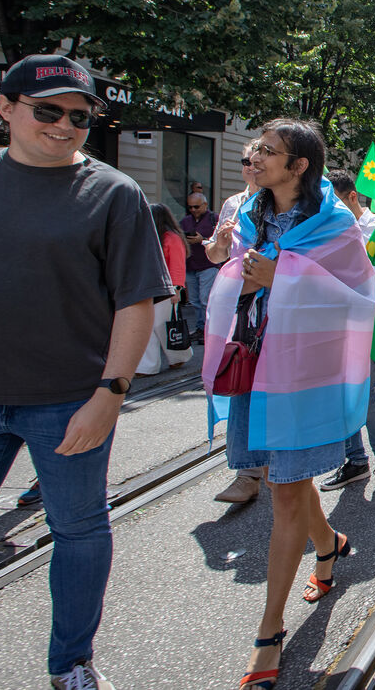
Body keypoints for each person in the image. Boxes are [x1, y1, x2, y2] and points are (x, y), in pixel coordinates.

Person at [0, 54, 172, 690]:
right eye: (48, 110)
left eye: (79, 115)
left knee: (78, 531)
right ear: (4, 106)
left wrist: (110, 394)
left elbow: (135, 302)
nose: (64, 125)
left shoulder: (113, 192)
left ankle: (71, 663)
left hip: (67, 400)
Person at [202, 119, 375, 690]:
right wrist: (227, 258)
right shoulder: (247, 213)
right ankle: (329, 546)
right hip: (256, 362)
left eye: (268, 151)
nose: (255, 157)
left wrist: (283, 276)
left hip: (304, 372)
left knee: (285, 489)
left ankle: (270, 630)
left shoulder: (336, 224)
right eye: (256, 148)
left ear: (299, 166)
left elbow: (356, 298)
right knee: (287, 481)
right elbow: (233, 272)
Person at [316, 170, 375, 492]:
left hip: (374, 319)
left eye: (337, 204)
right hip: (338, 319)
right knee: (342, 391)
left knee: (362, 390)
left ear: (352, 196)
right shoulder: (329, 230)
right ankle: (355, 460)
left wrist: (357, 269)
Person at [206, 140, 267, 505]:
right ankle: (247, 473)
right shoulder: (233, 204)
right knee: (241, 380)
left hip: (272, 307)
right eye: (246, 161)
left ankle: (275, 466)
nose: (250, 167)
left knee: (271, 385)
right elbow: (215, 254)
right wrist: (222, 241)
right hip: (240, 309)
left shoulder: (286, 202)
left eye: (258, 160)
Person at [136, 203, 194, 376]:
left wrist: (176, 289)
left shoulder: (170, 238)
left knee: (160, 327)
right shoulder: (159, 237)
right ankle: (169, 360)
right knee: (157, 327)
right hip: (153, 288)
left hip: (164, 290)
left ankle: (158, 363)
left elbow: (177, 265)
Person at [181, 190, 219, 342]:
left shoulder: (214, 219)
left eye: (196, 207)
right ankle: (200, 328)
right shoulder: (185, 221)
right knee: (195, 301)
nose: (193, 210)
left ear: (205, 205)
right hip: (191, 265)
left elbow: (222, 240)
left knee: (205, 300)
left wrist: (202, 240)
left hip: (208, 264)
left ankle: (209, 331)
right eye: (190, 207)